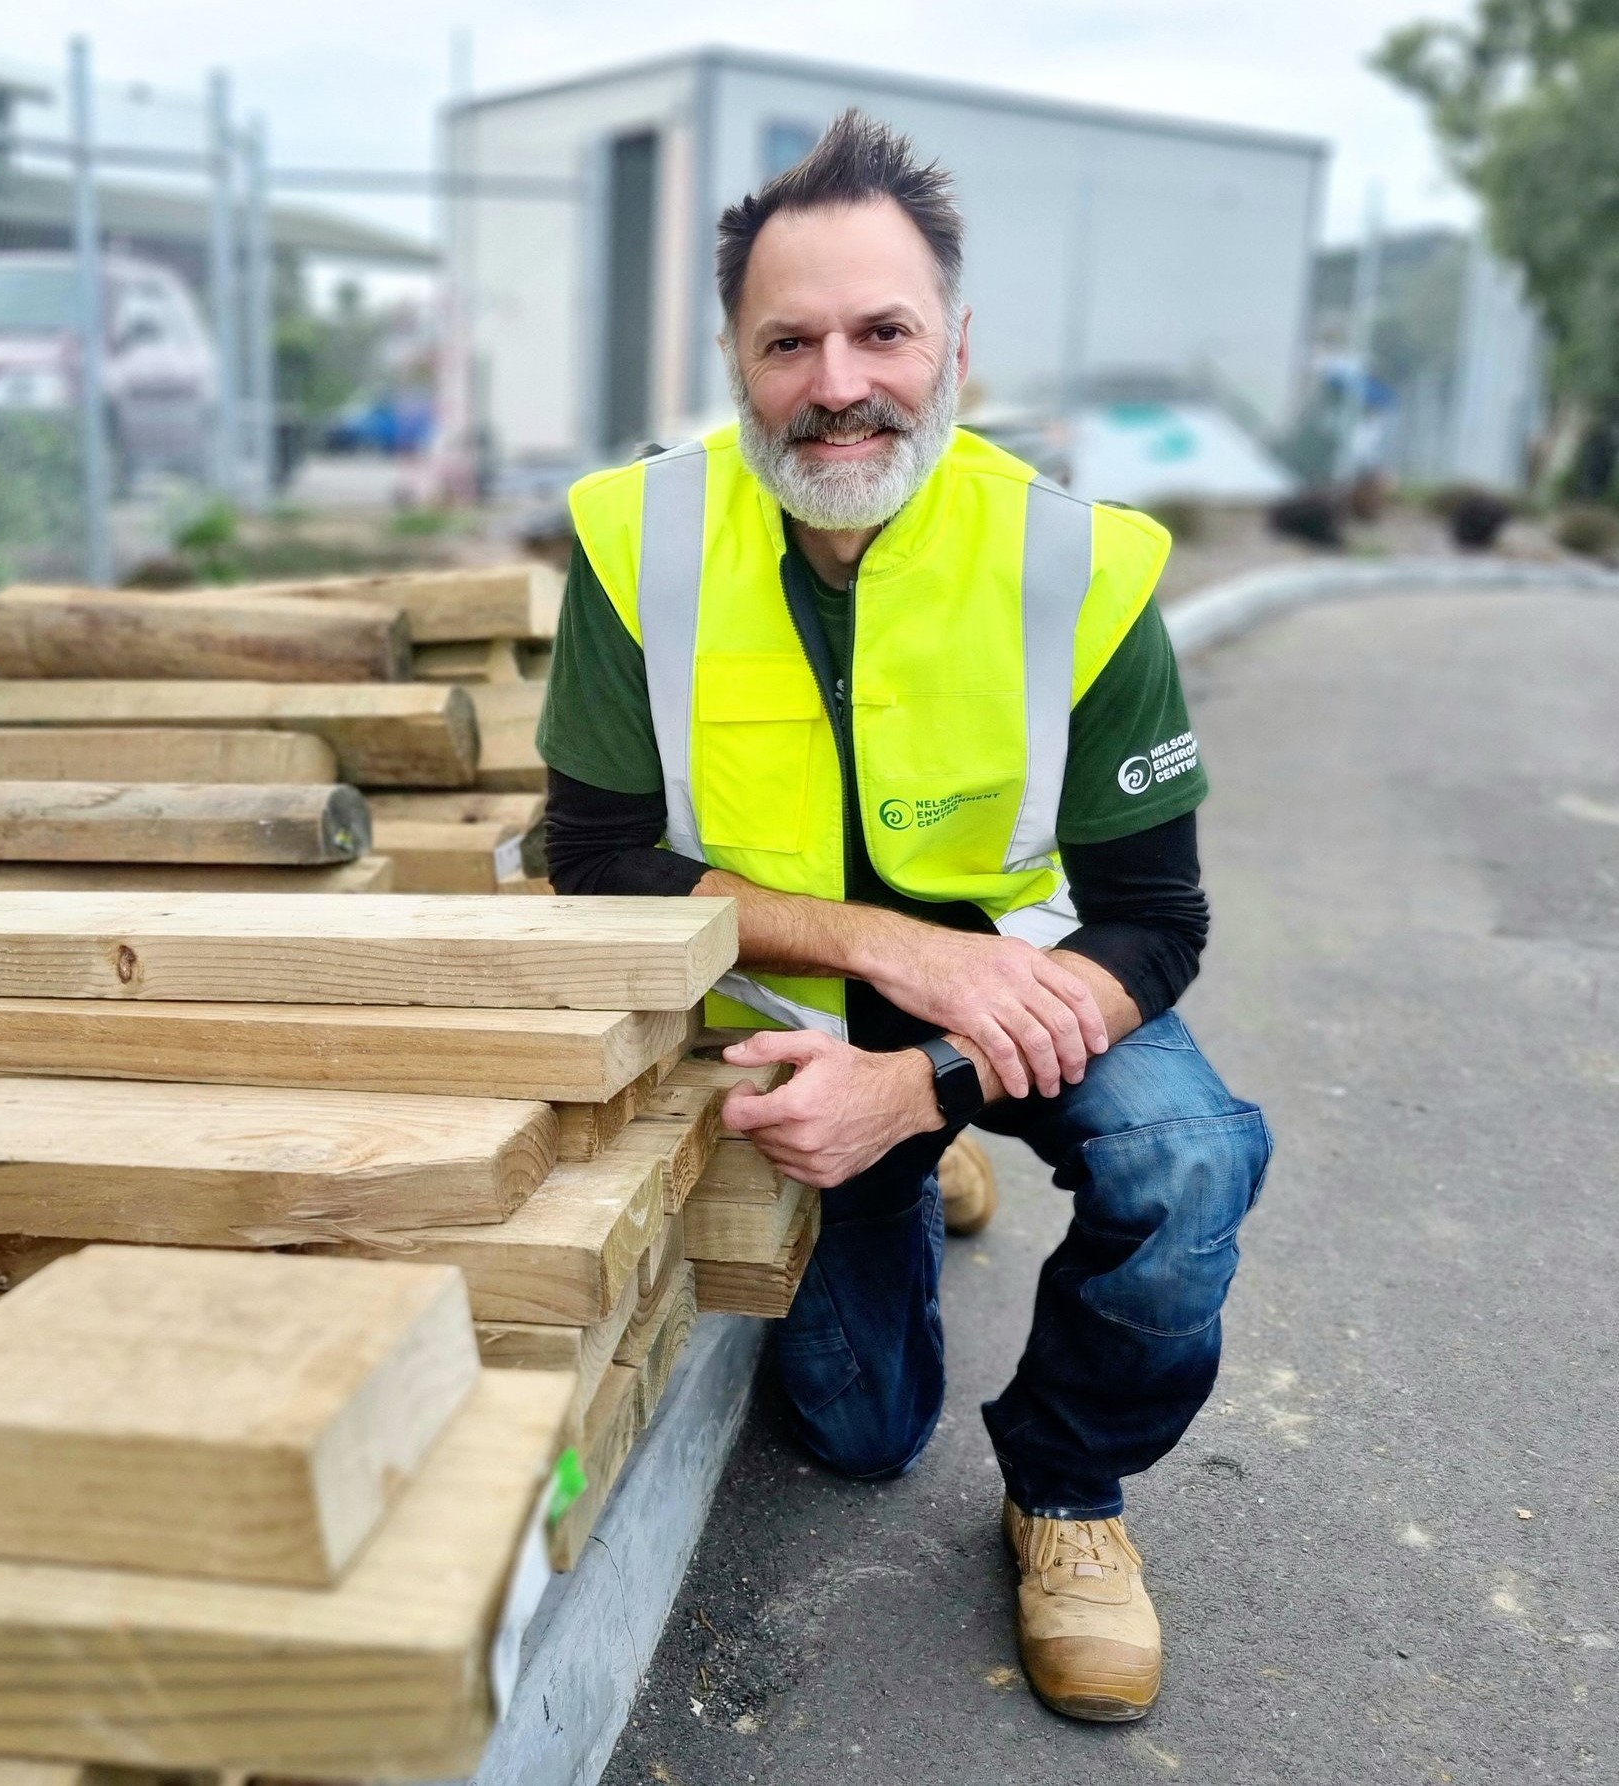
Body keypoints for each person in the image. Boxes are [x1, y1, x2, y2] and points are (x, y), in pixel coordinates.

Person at [537, 109, 1274, 1723]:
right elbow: (582, 860)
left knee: (1193, 1157)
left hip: (1019, 998)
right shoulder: (641, 544)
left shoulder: (1072, 565)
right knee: (860, 1431)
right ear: (737, 359)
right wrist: (881, 951)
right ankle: (916, 1161)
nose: (839, 380)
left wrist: (923, 1077)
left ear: (957, 348)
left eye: (885, 330)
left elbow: (1156, 922)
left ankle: (1073, 1491)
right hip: (787, 1031)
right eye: (789, 340)